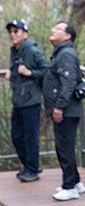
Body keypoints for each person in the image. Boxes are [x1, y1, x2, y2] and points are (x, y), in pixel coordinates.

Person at [43, 21, 85, 201]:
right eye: (53, 27)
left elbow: (69, 83)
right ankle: (75, 181)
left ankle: (70, 187)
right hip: (66, 109)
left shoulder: (66, 54)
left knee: (64, 147)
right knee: (64, 146)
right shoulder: (62, 53)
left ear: (68, 36)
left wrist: (59, 106)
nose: (53, 30)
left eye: (59, 29)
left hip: (66, 110)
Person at [3, 19, 49, 182]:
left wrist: (30, 73)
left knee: (30, 136)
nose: (12, 35)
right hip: (18, 99)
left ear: (25, 34)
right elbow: (17, 66)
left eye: (16, 31)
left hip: (31, 100)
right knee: (16, 136)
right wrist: (11, 72)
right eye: (10, 32)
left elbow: (47, 69)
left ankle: (32, 169)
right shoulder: (15, 50)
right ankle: (31, 165)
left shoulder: (32, 50)